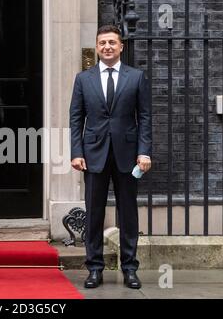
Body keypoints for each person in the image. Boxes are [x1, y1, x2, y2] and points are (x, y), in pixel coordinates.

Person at [69, 25, 152, 289]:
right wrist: (76, 152)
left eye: (112, 43)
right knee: (94, 213)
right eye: (102, 43)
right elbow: (76, 119)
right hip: (93, 155)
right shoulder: (84, 79)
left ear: (120, 47)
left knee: (128, 213)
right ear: (97, 47)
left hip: (128, 155)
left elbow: (146, 118)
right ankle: (94, 268)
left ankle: (129, 268)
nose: (107, 47)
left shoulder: (136, 77)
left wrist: (144, 151)